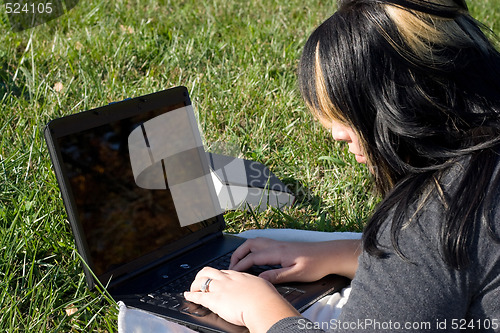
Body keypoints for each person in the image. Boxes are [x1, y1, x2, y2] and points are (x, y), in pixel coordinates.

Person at [184, 0, 500, 331]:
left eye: (350, 109)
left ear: (396, 102)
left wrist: (259, 307)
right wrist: (352, 254)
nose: (337, 134)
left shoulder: (435, 213)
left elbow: (431, 255)